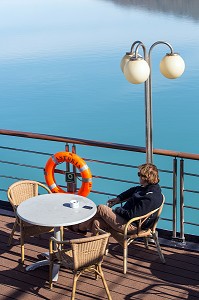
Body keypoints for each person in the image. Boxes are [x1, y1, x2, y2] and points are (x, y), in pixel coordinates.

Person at [71, 163, 163, 235]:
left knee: (101, 208)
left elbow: (132, 215)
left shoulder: (150, 197)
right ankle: (96, 250)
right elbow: (133, 190)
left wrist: (117, 210)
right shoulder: (146, 188)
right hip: (126, 220)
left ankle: (79, 227)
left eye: (139, 174)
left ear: (146, 177)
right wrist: (119, 198)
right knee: (96, 222)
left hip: (131, 226)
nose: (138, 176)